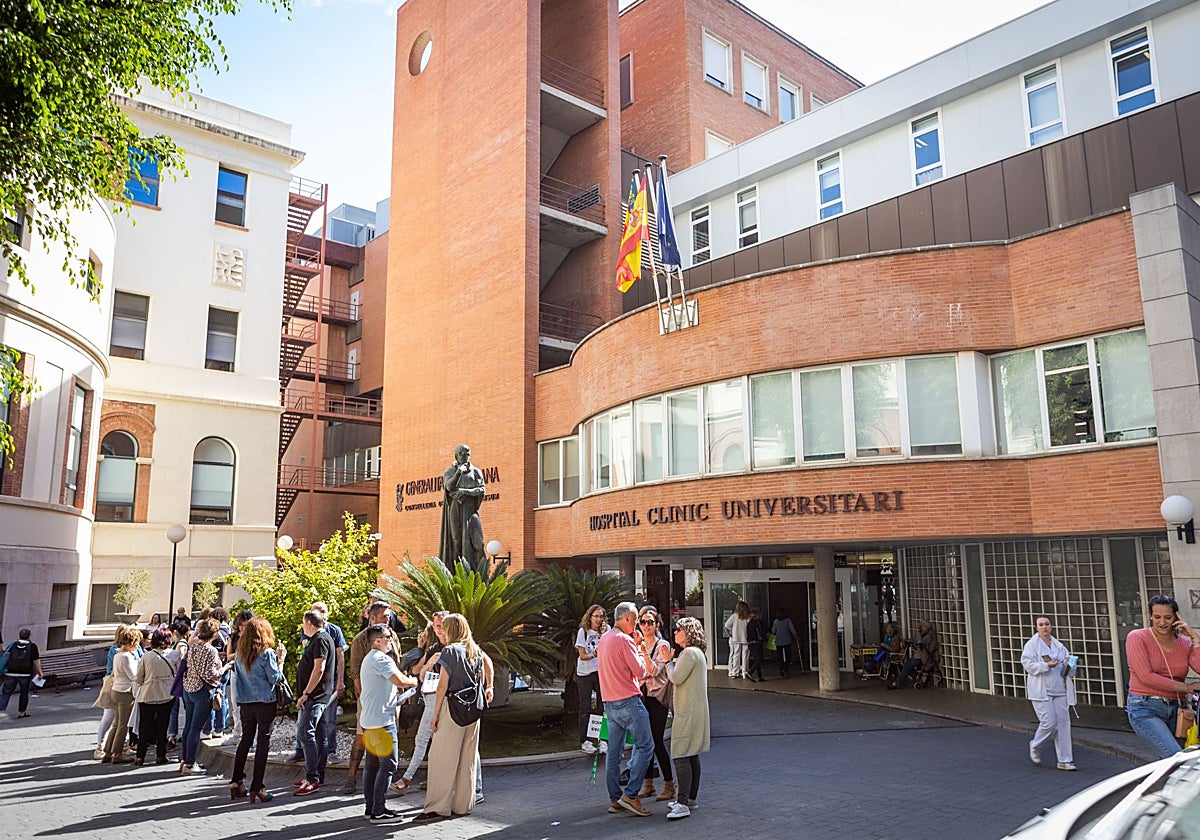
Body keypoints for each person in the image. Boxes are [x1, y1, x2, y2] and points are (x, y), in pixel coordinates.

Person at [412, 613, 494, 824]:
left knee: (441, 758)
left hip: (452, 709)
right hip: (473, 712)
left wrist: (435, 714)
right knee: (468, 759)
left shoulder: (450, 651)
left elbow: (442, 685)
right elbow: (483, 673)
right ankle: (463, 805)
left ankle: (437, 808)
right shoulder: (475, 650)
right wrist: (490, 687)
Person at [597, 601, 654, 817]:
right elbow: (640, 671)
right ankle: (630, 795)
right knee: (646, 745)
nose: (637, 624)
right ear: (628, 618)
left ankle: (616, 799)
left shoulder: (605, 638)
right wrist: (639, 648)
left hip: (610, 703)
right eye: (637, 619)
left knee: (614, 752)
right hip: (628, 701)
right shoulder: (624, 640)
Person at [1125, 594, 1200, 759]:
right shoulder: (1137, 637)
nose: (1162, 622)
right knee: (1176, 758)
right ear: (1150, 615)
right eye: (1157, 617)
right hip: (1145, 706)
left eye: (1168, 617)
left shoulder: (1184, 643)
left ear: (1176, 617)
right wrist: (1188, 688)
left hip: (1178, 710)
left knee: (1173, 763)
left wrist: (1194, 638)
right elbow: (1146, 677)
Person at [359, 624, 418, 822]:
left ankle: (370, 808)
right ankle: (378, 811)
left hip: (370, 721)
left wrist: (395, 699)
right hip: (381, 723)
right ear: (377, 641)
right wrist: (414, 681)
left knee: (372, 766)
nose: (391, 640)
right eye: (388, 637)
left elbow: (383, 686)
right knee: (388, 765)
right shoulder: (381, 659)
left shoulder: (369, 659)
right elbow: (399, 680)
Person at [343, 602, 399, 795]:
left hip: (389, 698)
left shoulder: (392, 636)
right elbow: (355, 672)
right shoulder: (361, 640)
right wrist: (364, 698)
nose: (388, 619)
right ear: (372, 617)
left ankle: (385, 776)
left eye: (389, 616)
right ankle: (351, 776)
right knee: (362, 738)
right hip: (369, 699)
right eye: (384, 616)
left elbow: (397, 663)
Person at [230, 617, 286, 803]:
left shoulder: (240, 654)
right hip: (265, 702)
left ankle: (236, 780)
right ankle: (258, 786)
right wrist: (281, 660)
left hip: (246, 702)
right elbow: (275, 678)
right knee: (263, 742)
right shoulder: (267, 653)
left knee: (245, 739)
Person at [393, 611, 449, 795]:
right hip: (431, 700)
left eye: (443, 626)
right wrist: (429, 662)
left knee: (445, 743)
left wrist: (489, 686)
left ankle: (416, 778)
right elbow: (419, 673)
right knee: (423, 739)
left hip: (449, 703)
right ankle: (408, 779)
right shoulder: (433, 649)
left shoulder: (459, 647)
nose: (440, 630)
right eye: (437, 626)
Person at [666, 617, 710, 820]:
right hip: (694, 711)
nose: (675, 632)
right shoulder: (696, 653)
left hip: (687, 712)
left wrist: (668, 661)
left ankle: (683, 802)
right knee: (691, 754)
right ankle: (690, 798)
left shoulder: (689, 653)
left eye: (678, 629)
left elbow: (676, 677)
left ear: (689, 633)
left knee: (681, 754)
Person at [1022, 616, 1078, 770]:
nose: (1044, 627)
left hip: (1060, 689)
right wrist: (1046, 665)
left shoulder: (1060, 647)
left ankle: (1065, 760)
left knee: (1063, 725)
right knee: (1049, 723)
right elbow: (1028, 665)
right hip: (1042, 691)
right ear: (1037, 628)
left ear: (1051, 626)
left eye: (1047, 624)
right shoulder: (1031, 645)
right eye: (1041, 625)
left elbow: (1070, 671)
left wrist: (1070, 664)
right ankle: (1035, 744)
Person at [636, 606, 676, 804]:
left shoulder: (663, 645)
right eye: (643, 622)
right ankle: (648, 783)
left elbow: (653, 671)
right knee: (645, 742)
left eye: (650, 622)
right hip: (641, 696)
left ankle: (669, 783)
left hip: (657, 698)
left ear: (657, 625)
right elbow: (636, 671)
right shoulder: (636, 643)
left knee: (657, 741)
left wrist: (643, 652)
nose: (646, 626)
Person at [294, 610, 337, 795]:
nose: (303, 627)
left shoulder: (320, 640)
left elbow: (319, 668)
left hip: (315, 696)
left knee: (306, 733)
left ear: (309, 623)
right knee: (319, 735)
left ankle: (312, 777)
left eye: (303, 623)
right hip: (316, 695)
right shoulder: (318, 639)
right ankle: (317, 774)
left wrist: (306, 692)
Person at [180, 618, 229, 775]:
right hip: (202, 691)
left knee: (189, 725)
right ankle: (190, 763)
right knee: (196, 728)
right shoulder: (211, 650)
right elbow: (211, 674)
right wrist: (226, 667)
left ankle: (185, 759)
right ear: (214, 633)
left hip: (188, 688)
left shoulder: (192, 647)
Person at [133, 628, 180, 765]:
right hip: (166, 694)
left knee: (144, 726)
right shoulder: (175, 654)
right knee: (162, 726)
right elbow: (178, 674)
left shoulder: (146, 656)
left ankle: (140, 756)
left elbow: (139, 677)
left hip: (147, 694)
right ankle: (160, 755)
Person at [439, 443, 486, 568]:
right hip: (455, 510)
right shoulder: (449, 472)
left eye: (467, 454)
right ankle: (456, 572)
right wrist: (458, 473)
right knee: (456, 541)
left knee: (479, 543)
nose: (464, 456)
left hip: (470, 512)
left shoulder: (476, 472)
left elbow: (481, 489)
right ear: (456, 456)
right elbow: (449, 486)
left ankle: (480, 572)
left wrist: (465, 492)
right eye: (461, 454)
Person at [102, 626, 142, 763]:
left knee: (117, 723)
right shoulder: (127, 657)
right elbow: (134, 676)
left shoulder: (118, 654)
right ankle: (117, 753)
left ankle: (108, 751)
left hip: (116, 689)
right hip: (125, 691)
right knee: (123, 725)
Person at [575, 604, 609, 755]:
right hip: (585, 673)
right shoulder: (583, 632)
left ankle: (603, 739)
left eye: (601, 616)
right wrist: (595, 654)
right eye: (596, 616)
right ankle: (584, 740)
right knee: (585, 707)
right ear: (590, 617)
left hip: (601, 672)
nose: (598, 619)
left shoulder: (607, 630)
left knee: (603, 706)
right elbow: (582, 655)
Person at [0, 628, 44, 719]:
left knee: (6, 693)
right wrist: (40, 672)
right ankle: (22, 712)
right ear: (29, 636)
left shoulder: (13, 645)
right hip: (25, 673)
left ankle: (1, 709)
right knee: (24, 693)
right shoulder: (32, 646)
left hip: (10, 672)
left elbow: (6, 655)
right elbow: (36, 661)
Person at [889, 620, 939, 690]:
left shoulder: (929, 636)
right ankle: (918, 677)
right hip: (918, 655)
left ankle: (897, 682)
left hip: (924, 657)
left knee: (908, 666)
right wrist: (905, 640)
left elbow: (919, 642)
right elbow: (914, 640)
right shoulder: (924, 635)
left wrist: (919, 634)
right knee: (905, 664)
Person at [724, 601, 751, 679]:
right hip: (745, 638)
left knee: (736, 655)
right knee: (745, 655)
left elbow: (726, 626)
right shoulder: (748, 617)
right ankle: (744, 672)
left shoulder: (734, 616)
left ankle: (735, 672)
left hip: (736, 638)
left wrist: (730, 635)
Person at [771, 609, 799, 677]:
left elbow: (773, 630)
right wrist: (795, 636)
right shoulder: (788, 620)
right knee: (788, 656)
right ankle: (786, 669)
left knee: (780, 657)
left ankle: (781, 670)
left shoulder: (776, 621)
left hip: (778, 641)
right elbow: (792, 629)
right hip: (787, 640)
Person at [746, 608, 768, 682]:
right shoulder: (758, 622)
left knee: (757, 659)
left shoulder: (749, 624)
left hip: (750, 643)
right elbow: (764, 629)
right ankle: (750, 672)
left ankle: (760, 676)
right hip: (757, 643)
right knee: (759, 659)